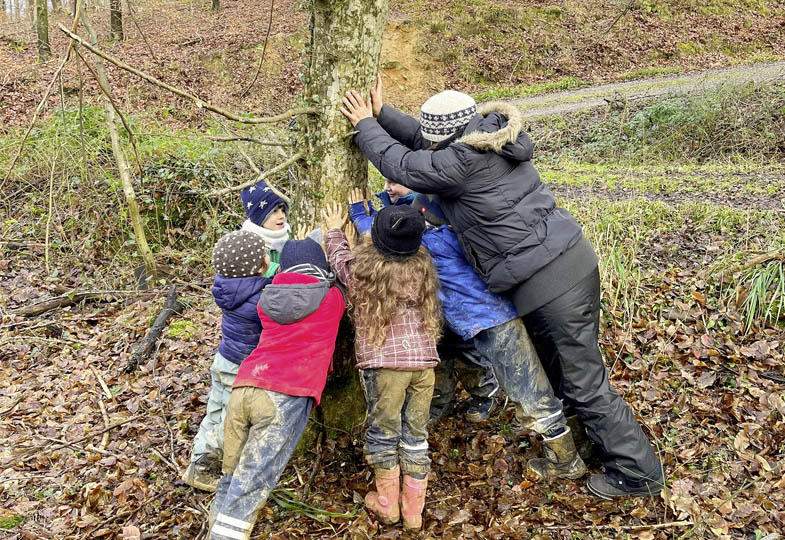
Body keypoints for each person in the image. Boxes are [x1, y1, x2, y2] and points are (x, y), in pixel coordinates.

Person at [339, 76, 664, 499]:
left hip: (548, 278)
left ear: (451, 136)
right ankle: (588, 444)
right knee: (562, 372)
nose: (432, 143)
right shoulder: (487, 139)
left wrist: (365, 124)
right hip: (565, 263)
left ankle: (638, 472)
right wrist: (384, 115)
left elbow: (404, 165)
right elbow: (424, 142)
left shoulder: (460, 162)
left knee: (583, 380)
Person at [350, 189, 587, 481]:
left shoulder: (428, 244)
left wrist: (360, 214)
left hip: (487, 321)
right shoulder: (455, 233)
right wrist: (391, 201)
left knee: (528, 390)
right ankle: (565, 444)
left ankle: (566, 460)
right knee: (526, 384)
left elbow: (383, 238)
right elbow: (405, 223)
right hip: (496, 312)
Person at [208, 238, 346, 540]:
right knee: (253, 482)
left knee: (231, 476)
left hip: (244, 386)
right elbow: (343, 277)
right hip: (284, 395)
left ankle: (215, 526)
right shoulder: (333, 299)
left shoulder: (265, 300)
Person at [323, 202, 440, 530]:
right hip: (423, 365)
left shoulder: (365, 271)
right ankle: (413, 512)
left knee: (384, 431)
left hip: (386, 367)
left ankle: (387, 504)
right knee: (416, 434)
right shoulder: (423, 265)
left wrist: (334, 231)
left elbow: (340, 262)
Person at [349, 188, 499, 423]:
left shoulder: (433, 238)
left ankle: (484, 395)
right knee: (441, 358)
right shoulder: (416, 227)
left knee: (468, 357)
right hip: (433, 314)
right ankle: (441, 401)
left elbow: (385, 236)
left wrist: (359, 215)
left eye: (395, 181)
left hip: (460, 314)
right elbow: (389, 234)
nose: (389, 186)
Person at [182, 230, 275, 492]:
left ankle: (200, 459)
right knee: (231, 418)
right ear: (259, 265)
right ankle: (212, 468)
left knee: (215, 411)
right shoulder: (260, 297)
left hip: (224, 359)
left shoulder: (227, 286)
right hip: (241, 367)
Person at [240, 180, 291, 270]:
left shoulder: (293, 237)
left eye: (283, 210)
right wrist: (277, 270)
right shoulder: (244, 244)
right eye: (274, 211)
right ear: (258, 217)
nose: (282, 216)